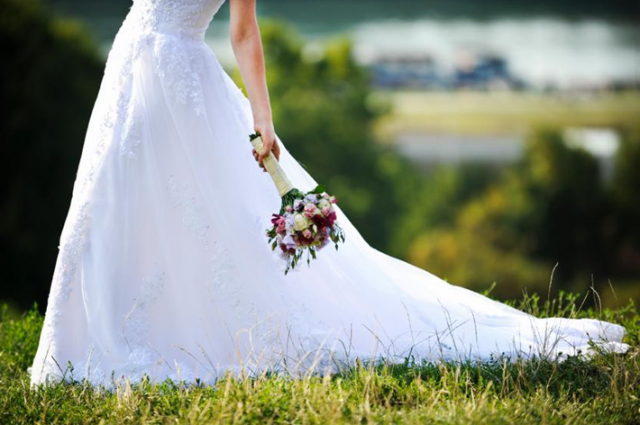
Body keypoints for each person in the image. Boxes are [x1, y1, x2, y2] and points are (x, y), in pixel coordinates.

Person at [28, 0, 629, 390]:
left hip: (176, 74)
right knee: (115, 204)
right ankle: (100, 332)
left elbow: (244, 33)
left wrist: (263, 121)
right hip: (130, 72)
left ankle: (166, 333)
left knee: (201, 211)